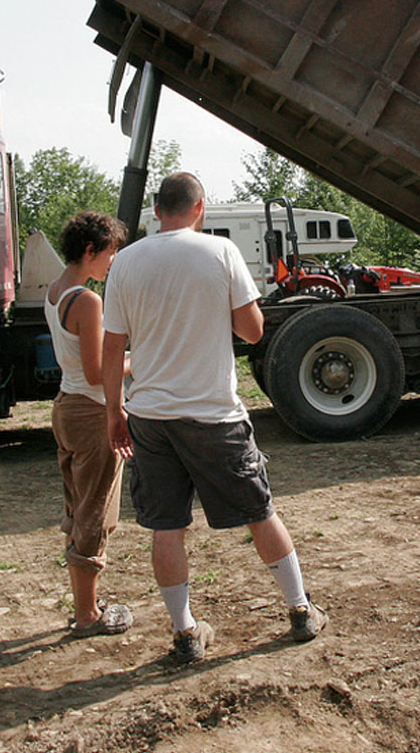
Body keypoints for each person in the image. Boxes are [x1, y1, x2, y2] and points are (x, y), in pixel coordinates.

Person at [102, 172, 327, 664]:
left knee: (166, 526)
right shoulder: (220, 253)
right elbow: (251, 331)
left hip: (150, 416)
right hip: (212, 415)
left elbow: (112, 345)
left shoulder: (124, 263)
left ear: (158, 211)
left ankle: (185, 634)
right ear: (199, 208)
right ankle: (300, 609)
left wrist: (114, 410)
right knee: (259, 510)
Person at [45, 211, 133, 638]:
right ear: (90, 250)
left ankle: (87, 605)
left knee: (79, 508)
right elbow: (99, 371)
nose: (113, 261)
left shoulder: (55, 291)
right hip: (90, 410)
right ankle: (87, 616)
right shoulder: (87, 300)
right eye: (111, 252)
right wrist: (143, 359)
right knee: (94, 514)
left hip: (66, 407)